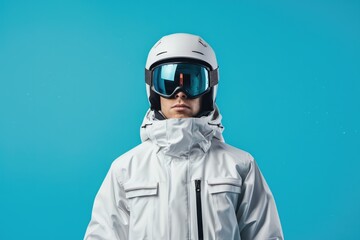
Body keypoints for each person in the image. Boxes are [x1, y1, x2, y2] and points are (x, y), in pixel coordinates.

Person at [84, 33, 284, 240]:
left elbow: (266, 236)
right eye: (168, 83)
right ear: (153, 90)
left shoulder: (240, 166)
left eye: (191, 82)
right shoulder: (126, 169)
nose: (180, 93)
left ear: (209, 90)